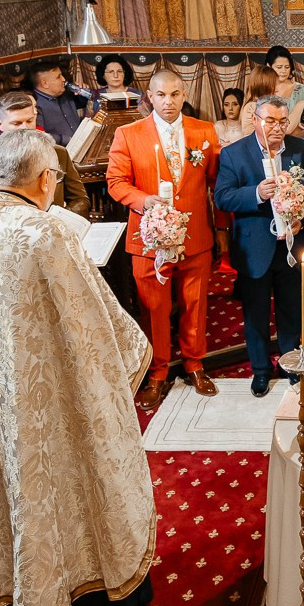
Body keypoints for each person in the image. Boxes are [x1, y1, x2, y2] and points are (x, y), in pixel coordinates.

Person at [0, 128, 160, 606]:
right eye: (55, 175)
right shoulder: (42, 233)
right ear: (42, 178)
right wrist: (127, 361)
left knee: (9, 493)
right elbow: (92, 322)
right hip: (50, 407)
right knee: (74, 499)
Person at [106, 69, 221, 405]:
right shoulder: (128, 134)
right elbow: (116, 182)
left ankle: (194, 363)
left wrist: (223, 230)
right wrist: (145, 201)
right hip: (149, 237)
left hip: (195, 234)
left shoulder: (204, 131)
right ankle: (157, 370)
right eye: (161, 95)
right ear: (150, 97)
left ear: (183, 95)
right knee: (154, 307)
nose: (168, 101)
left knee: (195, 303)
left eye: (174, 94)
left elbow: (216, 182)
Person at [214, 95, 304, 394]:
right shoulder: (234, 154)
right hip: (254, 248)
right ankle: (260, 370)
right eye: (270, 121)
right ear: (255, 120)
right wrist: (255, 193)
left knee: (291, 309)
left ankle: (290, 363)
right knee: (256, 313)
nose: (277, 128)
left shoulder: (301, 150)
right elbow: (222, 197)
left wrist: (303, 219)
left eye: (282, 122)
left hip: (292, 245)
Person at [0, 92, 91, 213]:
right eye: (16, 123)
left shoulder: (58, 153)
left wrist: (58, 221)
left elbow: (80, 200)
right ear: (0, 125)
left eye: (29, 121)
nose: (25, 128)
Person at [26, 60, 92, 145]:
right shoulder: (35, 105)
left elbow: (84, 102)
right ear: (45, 83)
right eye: (58, 77)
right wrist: (66, 140)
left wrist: (82, 91)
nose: (63, 80)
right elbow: (39, 135)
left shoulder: (65, 94)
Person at [265, 45, 304, 138]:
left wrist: (289, 139)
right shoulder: (262, 88)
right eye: (279, 67)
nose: (284, 71)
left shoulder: (301, 89)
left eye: (287, 67)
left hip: (297, 145)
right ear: (269, 66)